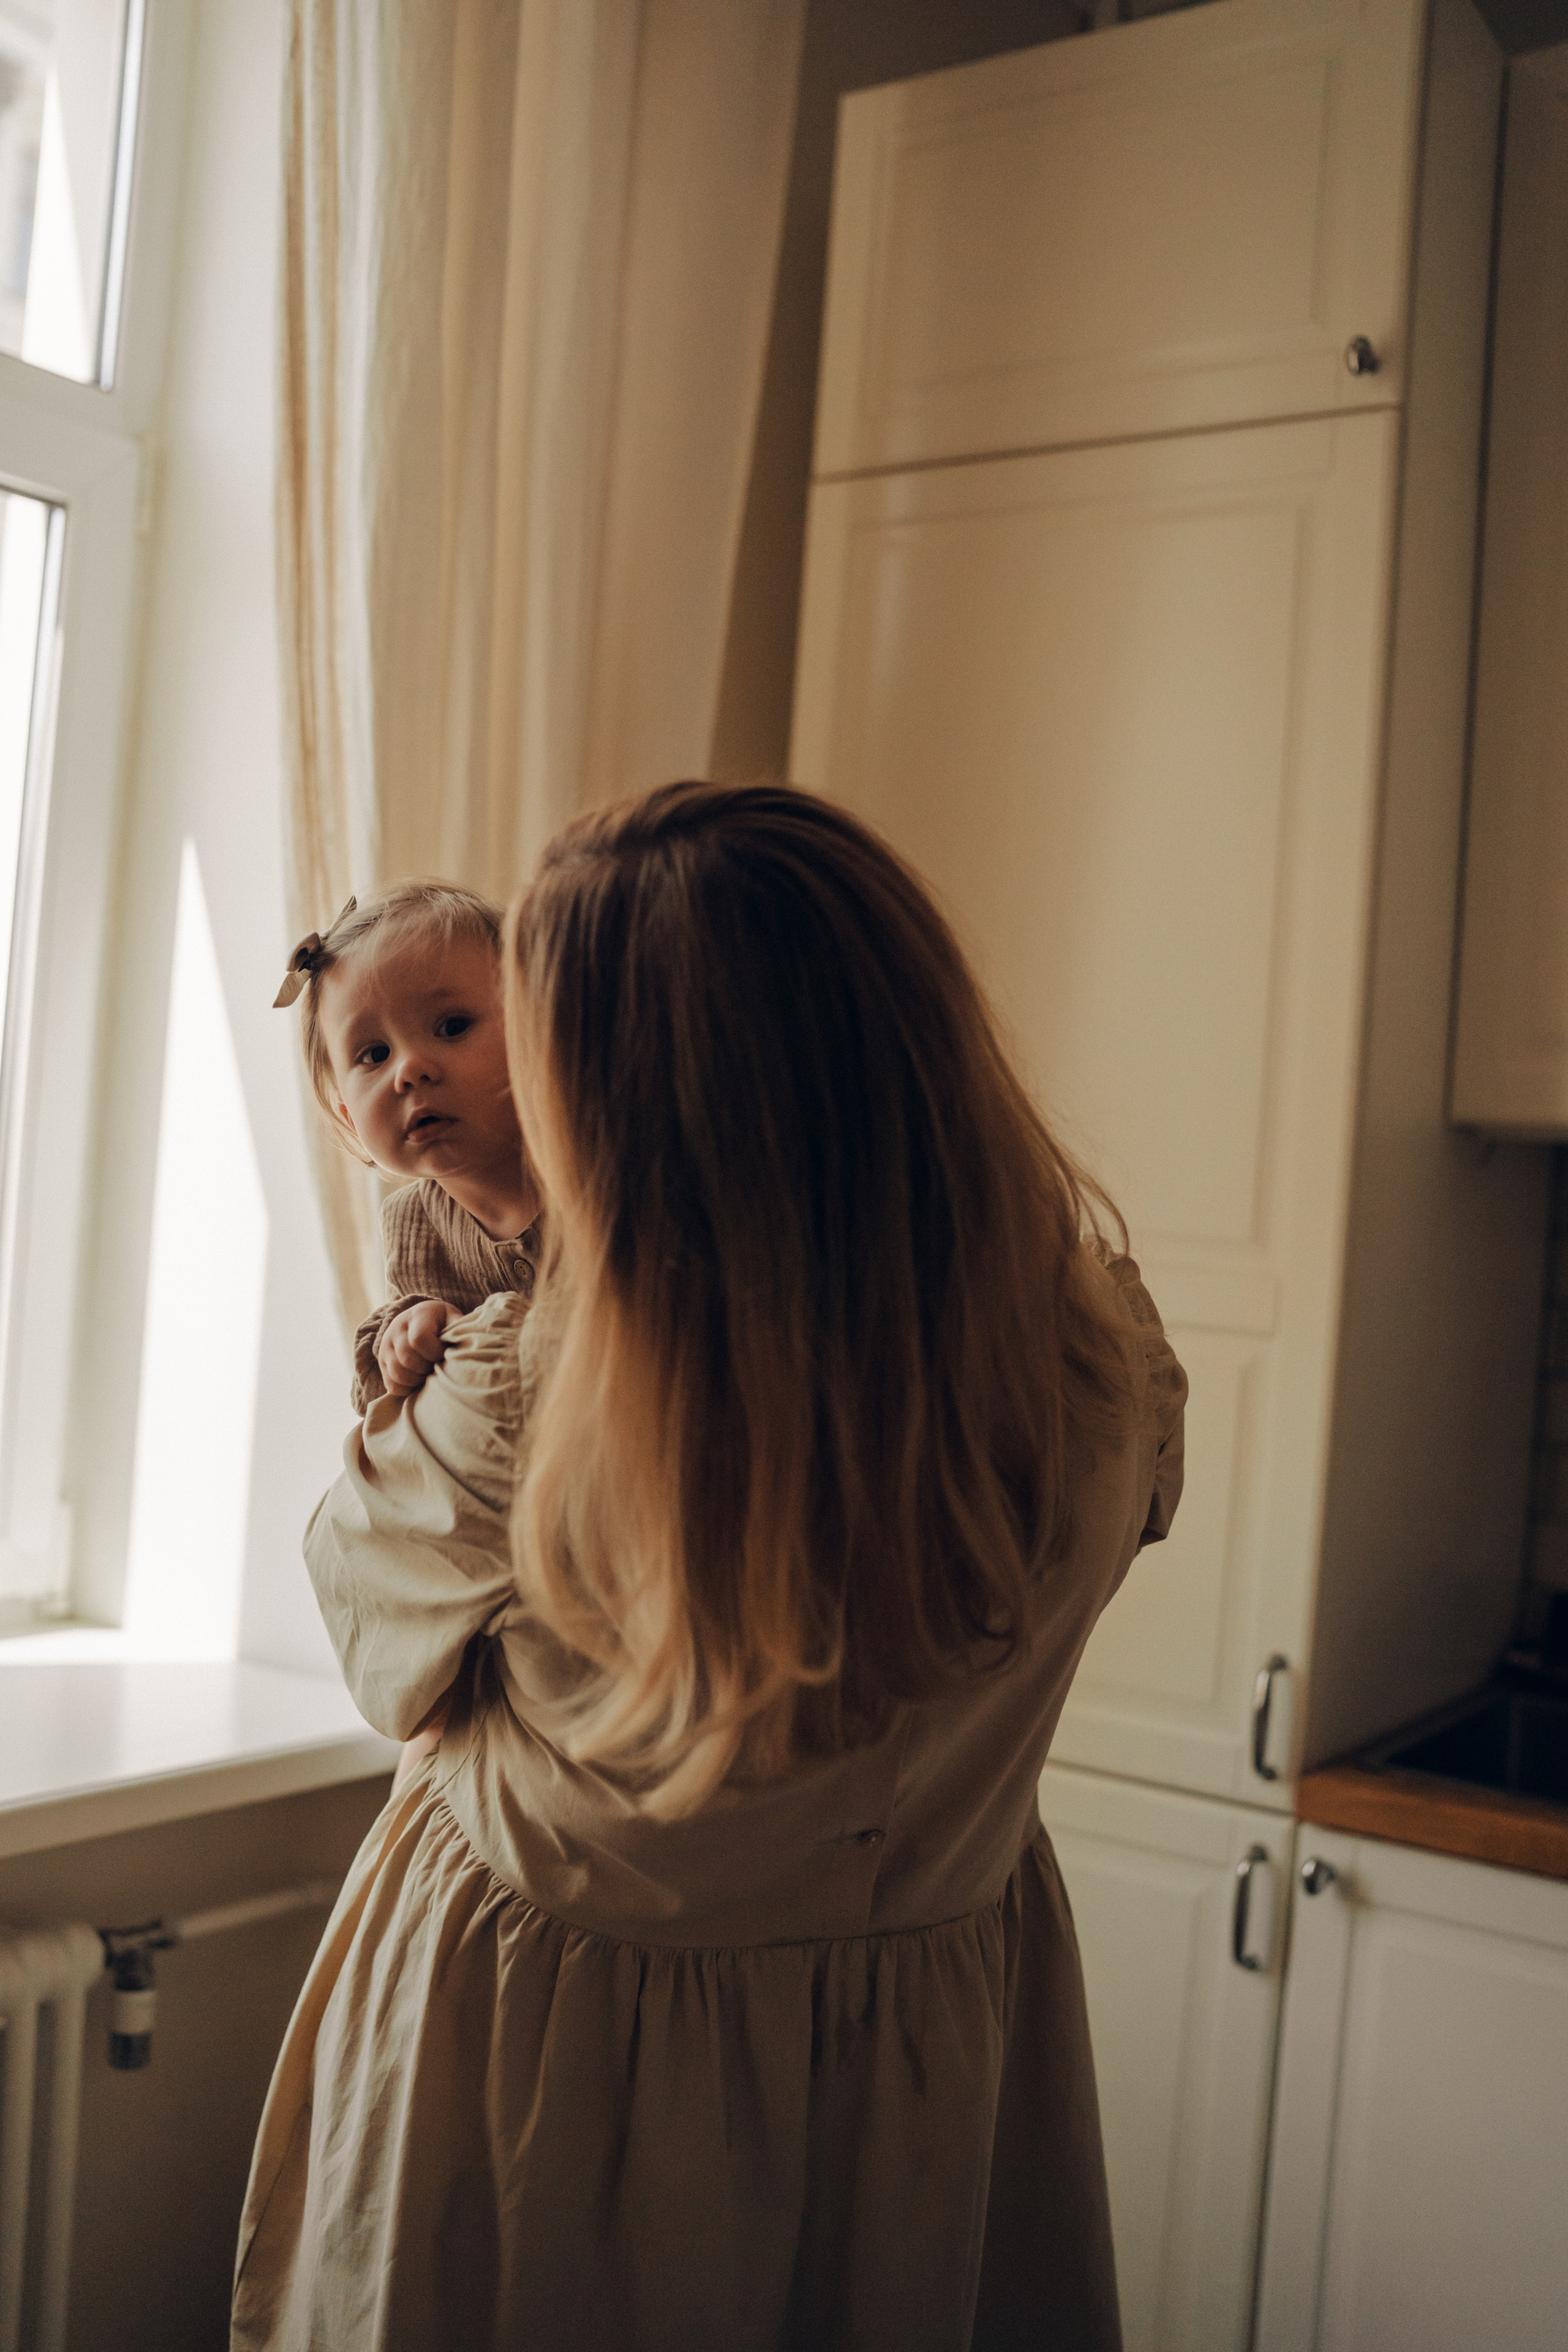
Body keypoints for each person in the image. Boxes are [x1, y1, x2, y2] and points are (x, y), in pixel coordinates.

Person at [234, 783, 1186, 2352]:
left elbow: (382, 1651)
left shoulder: (517, 1389)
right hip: (939, 2050)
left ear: (593, 1083)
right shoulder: (1092, 1335)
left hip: (564, 2072)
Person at [273, 881, 543, 1786]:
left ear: (536, 1030)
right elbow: (396, 1391)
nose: (411, 1071)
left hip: (570, 1463)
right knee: (343, 1532)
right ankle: (431, 1686)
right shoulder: (416, 1223)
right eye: (372, 1054)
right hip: (489, 1483)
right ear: (348, 1117)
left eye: (453, 1027)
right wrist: (409, 1329)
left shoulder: (585, 1177)